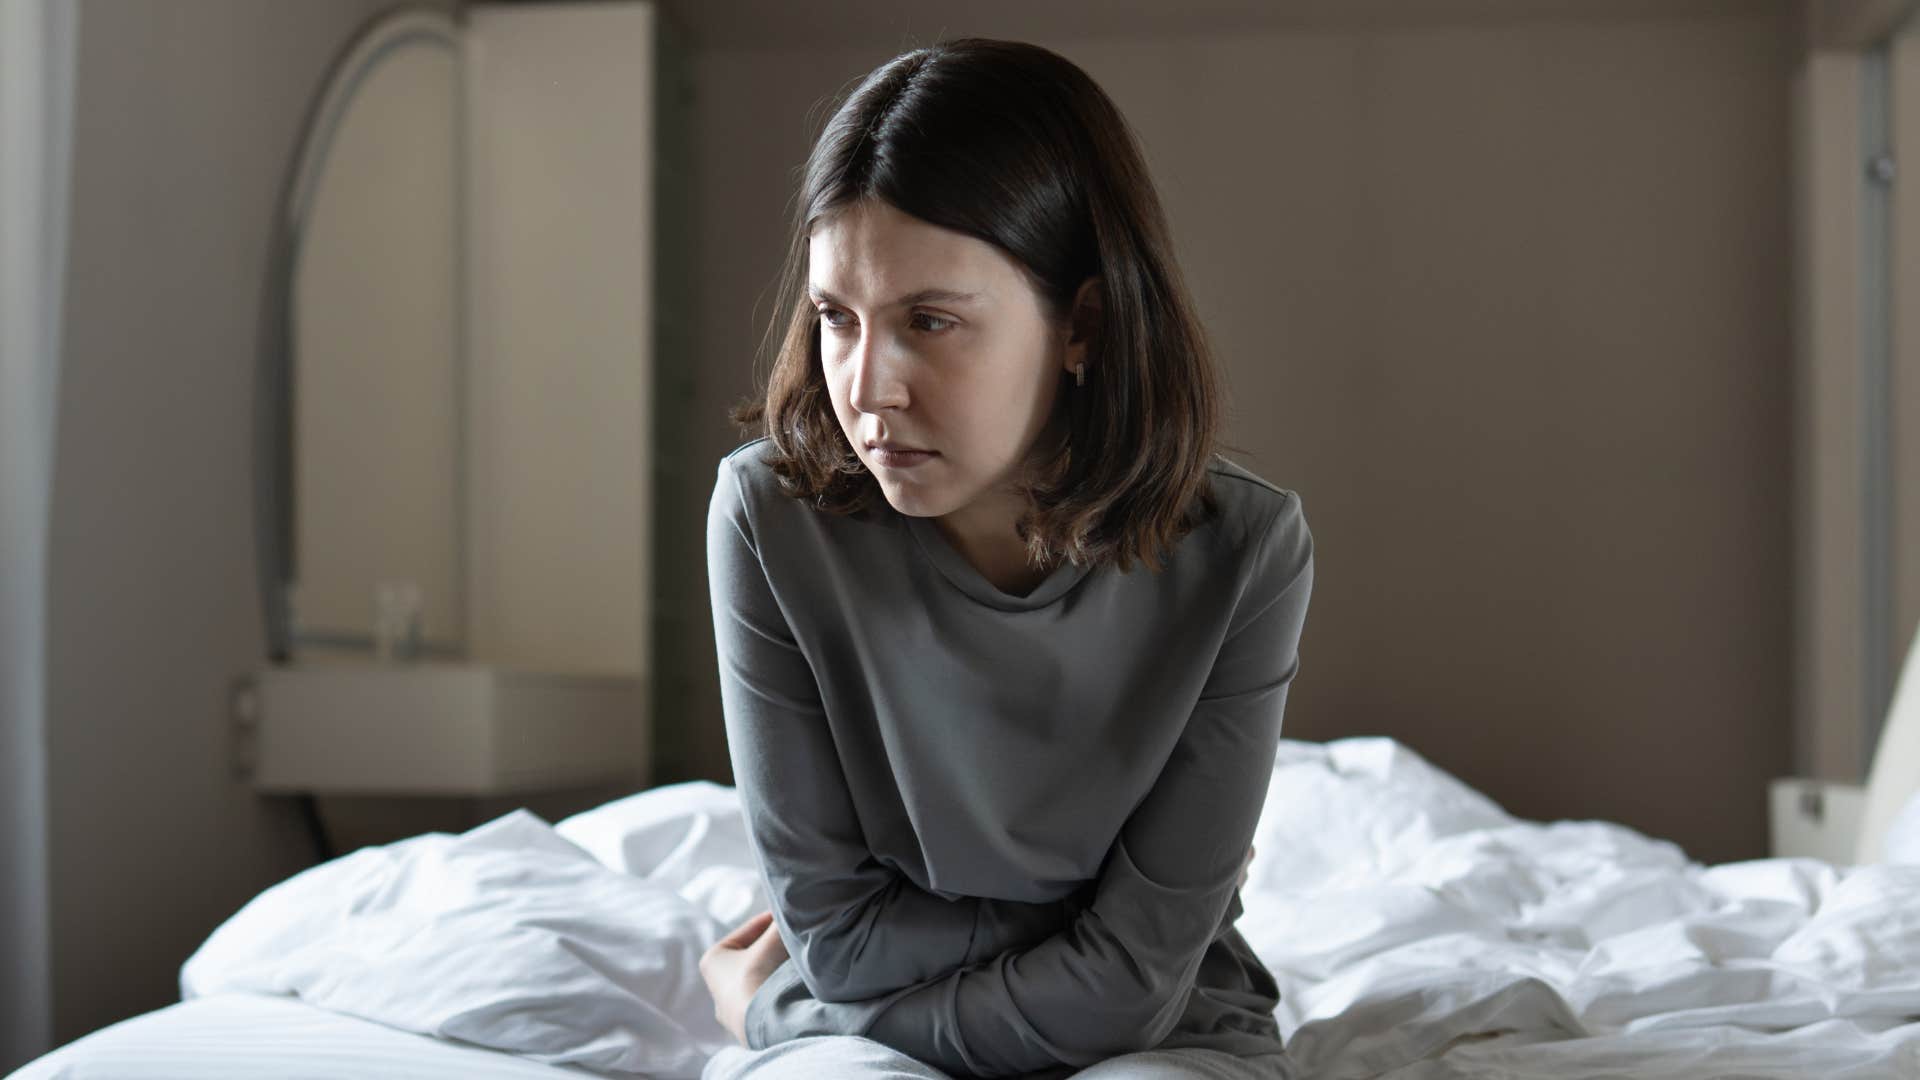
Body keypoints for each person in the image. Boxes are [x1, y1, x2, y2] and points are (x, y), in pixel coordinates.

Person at [697, 37, 1314, 1080]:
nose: (868, 387)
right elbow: (839, 942)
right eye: (836, 320)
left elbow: (1135, 987)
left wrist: (773, 1018)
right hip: (876, 1009)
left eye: (929, 321)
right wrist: (1082, 933)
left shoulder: (1245, 553)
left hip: (1167, 1035)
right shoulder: (768, 519)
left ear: (1084, 321)